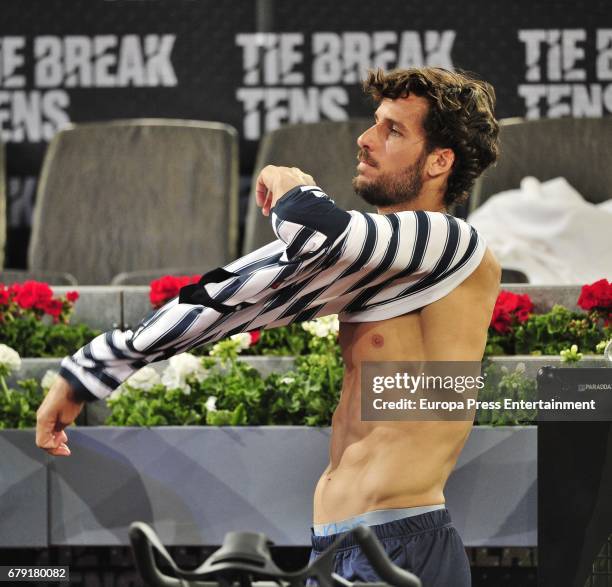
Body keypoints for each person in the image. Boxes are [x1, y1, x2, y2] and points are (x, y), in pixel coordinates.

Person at [36, 67, 501, 587]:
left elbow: (316, 232)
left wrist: (290, 183)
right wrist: (91, 371)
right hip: (342, 544)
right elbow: (238, 295)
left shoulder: (454, 243)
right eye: (374, 123)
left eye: (393, 130)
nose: (365, 140)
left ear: (440, 160)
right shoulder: (381, 261)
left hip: (401, 546)